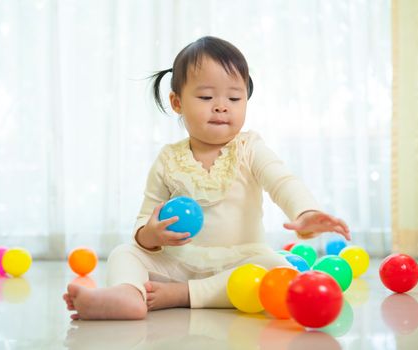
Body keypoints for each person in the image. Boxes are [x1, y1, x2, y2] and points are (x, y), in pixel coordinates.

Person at [63, 36, 350, 320]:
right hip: (180, 261)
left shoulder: (250, 148)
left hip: (240, 261)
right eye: (206, 97)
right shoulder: (168, 159)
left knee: (274, 268)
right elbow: (144, 217)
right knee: (124, 253)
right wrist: (149, 236)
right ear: (177, 102)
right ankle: (129, 294)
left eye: (234, 98)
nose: (221, 106)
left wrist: (306, 212)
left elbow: (282, 181)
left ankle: (183, 294)